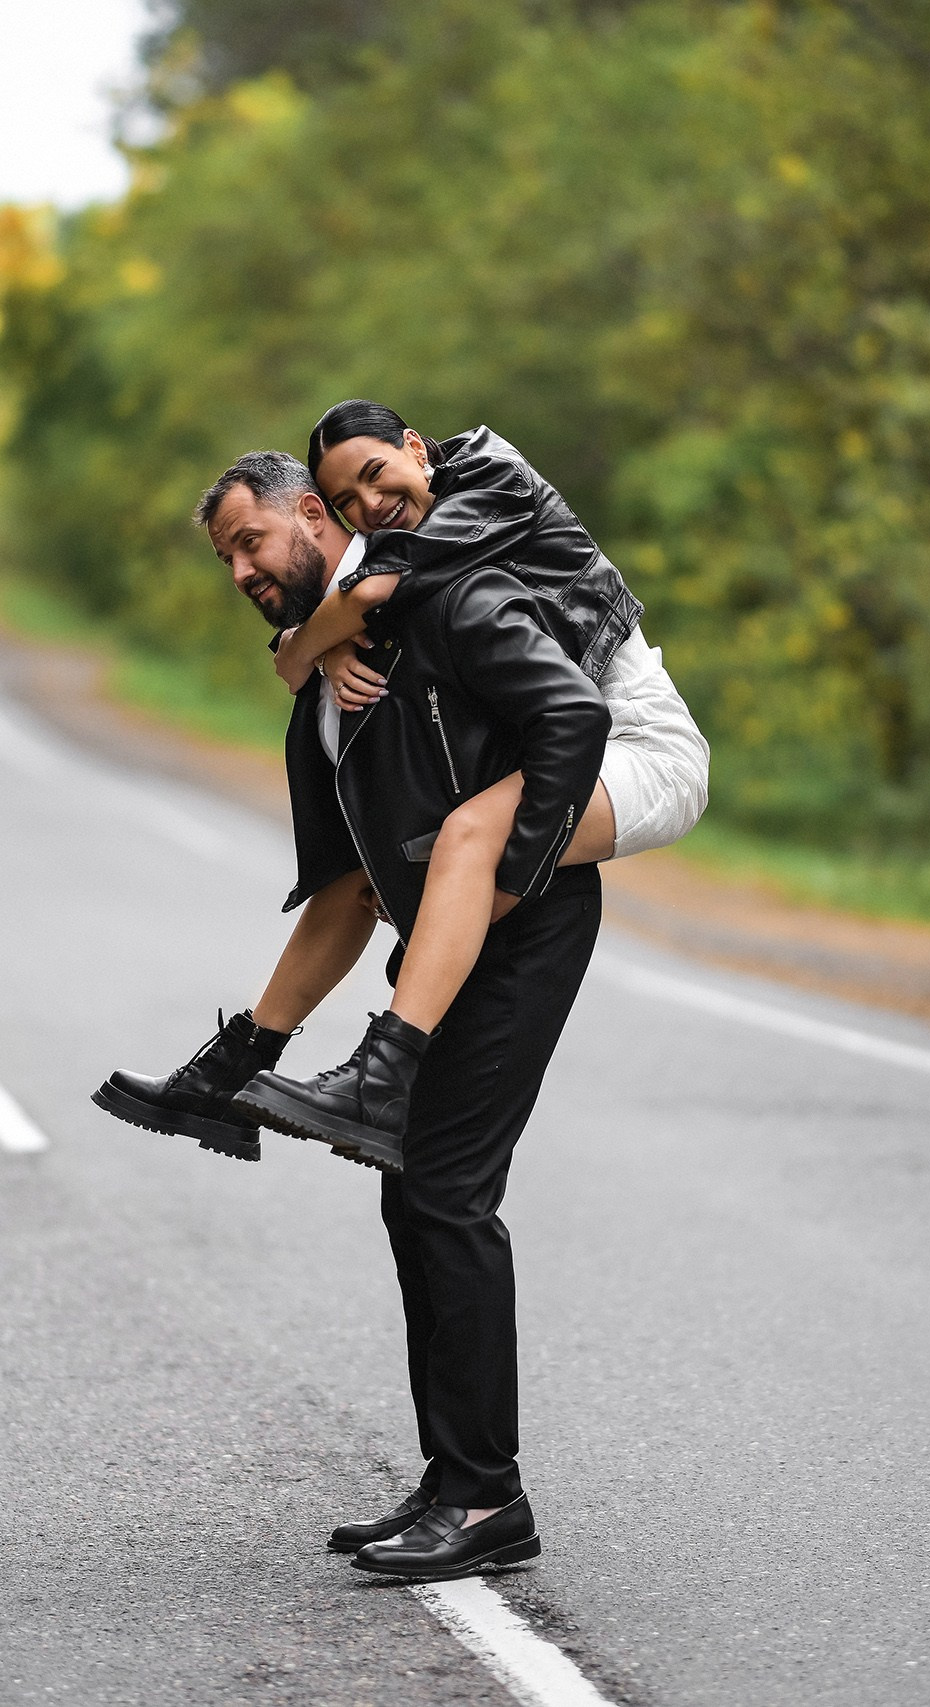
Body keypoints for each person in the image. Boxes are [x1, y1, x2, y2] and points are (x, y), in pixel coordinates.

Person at [101, 449, 609, 1579]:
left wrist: (510, 878)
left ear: (315, 517)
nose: (238, 568)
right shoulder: (331, 680)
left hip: (525, 927)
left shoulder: (446, 597)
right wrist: (236, 1064)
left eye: (249, 541)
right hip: (452, 940)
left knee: (446, 1195)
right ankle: (456, 1479)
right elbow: (346, 896)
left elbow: (568, 717)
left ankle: (487, 1504)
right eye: (225, 556)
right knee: (410, 1193)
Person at [232, 402, 707, 1161]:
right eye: (348, 502)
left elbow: (373, 593)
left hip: (641, 744)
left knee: (468, 835)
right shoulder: (420, 510)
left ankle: (384, 1067)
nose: (369, 508)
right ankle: (334, 1051)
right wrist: (317, 649)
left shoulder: (492, 478)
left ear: (418, 449)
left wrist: (296, 650)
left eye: (375, 475)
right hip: (568, 732)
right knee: (389, 874)